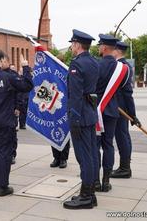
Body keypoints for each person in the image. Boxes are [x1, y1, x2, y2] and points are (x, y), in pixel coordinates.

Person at [0, 49, 33, 196]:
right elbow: (27, 86)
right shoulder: (8, 77)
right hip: (4, 121)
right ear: (2, 60)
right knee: (4, 153)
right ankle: (3, 186)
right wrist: (25, 67)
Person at [63, 29, 99, 209]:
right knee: (91, 154)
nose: (71, 47)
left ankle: (85, 196)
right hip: (90, 113)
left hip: (81, 116)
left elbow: (75, 95)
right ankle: (90, 193)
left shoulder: (77, 64)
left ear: (77, 44)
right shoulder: (94, 62)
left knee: (84, 157)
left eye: (72, 44)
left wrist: (74, 120)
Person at [94, 34, 129, 192]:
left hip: (97, 111)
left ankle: (95, 180)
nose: (99, 47)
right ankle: (106, 181)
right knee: (108, 145)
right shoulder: (121, 68)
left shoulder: (97, 65)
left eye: (100, 45)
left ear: (105, 47)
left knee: (95, 146)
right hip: (112, 111)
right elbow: (124, 91)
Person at [111, 41, 141, 178]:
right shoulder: (123, 66)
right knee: (123, 137)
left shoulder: (122, 67)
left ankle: (125, 168)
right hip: (120, 108)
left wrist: (133, 115)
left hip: (120, 109)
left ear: (117, 51)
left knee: (122, 137)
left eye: (113, 49)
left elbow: (128, 93)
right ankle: (125, 167)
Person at [2, 55, 20, 165]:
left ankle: (12, 154)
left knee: (12, 134)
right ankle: (5, 153)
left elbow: (19, 93)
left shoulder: (13, 75)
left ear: (8, 62)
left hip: (12, 108)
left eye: (3, 61)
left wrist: (18, 107)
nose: (1, 63)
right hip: (1, 109)